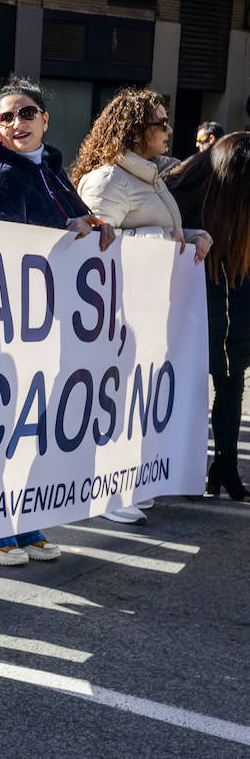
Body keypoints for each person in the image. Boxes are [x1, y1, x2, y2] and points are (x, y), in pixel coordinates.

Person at [0, 77, 115, 563]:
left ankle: (23, 519)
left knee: (30, 430)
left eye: (26, 112)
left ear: (45, 119)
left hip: (47, 325)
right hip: (6, 327)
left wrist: (94, 227)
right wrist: (64, 231)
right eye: (6, 117)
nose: (17, 123)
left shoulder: (52, 174)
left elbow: (75, 225)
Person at [73, 89, 212, 522]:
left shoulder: (149, 178)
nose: (169, 130)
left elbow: (159, 229)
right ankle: (106, 493)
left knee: (139, 401)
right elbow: (93, 251)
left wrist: (192, 237)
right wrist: (158, 241)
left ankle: (129, 481)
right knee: (113, 400)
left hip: (151, 312)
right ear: (135, 131)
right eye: (160, 123)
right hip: (119, 317)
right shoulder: (108, 180)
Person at [167, 133, 250, 502]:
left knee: (231, 384)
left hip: (237, 297)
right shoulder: (186, 191)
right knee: (192, 386)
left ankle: (225, 466)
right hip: (198, 298)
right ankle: (186, 470)